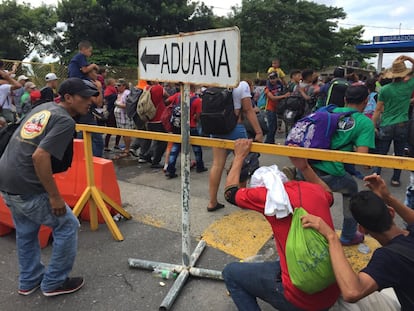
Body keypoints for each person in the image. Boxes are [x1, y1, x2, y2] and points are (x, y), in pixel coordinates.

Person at [0, 77, 99, 296]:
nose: (89, 101)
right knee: (67, 226)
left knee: (26, 231)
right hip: (26, 185)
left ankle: (29, 281)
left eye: (91, 96)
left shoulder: (45, 107)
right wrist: (54, 197)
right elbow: (40, 156)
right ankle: (54, 282)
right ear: (68, 98)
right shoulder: (65, 121)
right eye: (84, 97)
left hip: (6, 180)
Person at [222, 139, 340, 311]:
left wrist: (239, 156)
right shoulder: (313, 190)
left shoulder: (268, 198)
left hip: (302, 302)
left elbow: (229, 193)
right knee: (280, 257)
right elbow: (329, 194)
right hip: (334, 287)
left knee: (231, 273)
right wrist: (305, 167)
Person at [302, 173, 414, 310]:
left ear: (362, 229)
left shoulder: (388, 258)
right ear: (391, 212)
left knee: (340, 293)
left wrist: (331, 237)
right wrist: (388, 197)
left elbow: (352, 292)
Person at [310, 85, 375, 245]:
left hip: (307, 164)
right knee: (352, 189)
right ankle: (348, 235)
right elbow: (362, 158)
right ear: (366, 101)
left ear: (345, 99)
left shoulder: (328, 111)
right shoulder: (364, 123)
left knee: (310, 196)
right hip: (331, 170)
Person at [207, 80, 264, 212]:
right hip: (235, 129)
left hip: (217, 129)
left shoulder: (216, 83)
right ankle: (242, 199)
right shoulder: (241, 85)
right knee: (243, 163)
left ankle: (212, 202)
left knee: (217, 165)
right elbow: (248, 110)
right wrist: (258, 132)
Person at [372, 55, 414, 187]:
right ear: (404, 74)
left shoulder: (384, 89)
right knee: (399, 153)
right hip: (402, 124)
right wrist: (408, 58)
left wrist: (372, 126)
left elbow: (378, 110)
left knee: (382, 152)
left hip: (386, 124)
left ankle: (376, 176)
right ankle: (395, 179)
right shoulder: (408, 86)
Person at [164, 85, 207, 179]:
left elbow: (167, 101)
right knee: (196, 147)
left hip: (178, 125)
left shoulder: (178, 95)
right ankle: (200, 166)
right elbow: (198, 115)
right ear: (194, 88)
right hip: (191, 125)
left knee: (175, 148)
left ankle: (170, 169)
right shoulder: (197, 100)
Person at [138, 82, 169, 168]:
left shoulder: (146, 88)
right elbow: (168, 97)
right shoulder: (158, 88)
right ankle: (155, 161)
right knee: (163, 142)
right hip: (159, 119)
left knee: (157, 141)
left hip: (149, 118)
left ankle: (147, 155)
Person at [263, 72, 289, 144]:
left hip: (278, 108)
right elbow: (272, 98)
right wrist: (284, 96)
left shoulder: (280, 85)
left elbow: (286, 87)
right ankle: (268, 142)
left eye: (274, 78)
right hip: (270, 109)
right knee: (272, 127)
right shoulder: (267, 88)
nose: (272, 80)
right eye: (271, 79)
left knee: (275, 126)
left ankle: (271, 141)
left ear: (277, 78)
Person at [112, 79, 134, 160]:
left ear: (124, 86)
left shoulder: (127, 93)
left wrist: (117, 104)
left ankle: (127, 149)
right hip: (120, 118)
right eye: (116, 86)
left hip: (125, 117)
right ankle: (126, 148)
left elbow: (127, 105)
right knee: (123, 134)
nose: (117, 87)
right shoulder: (119, 94)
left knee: (127, 133)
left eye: (119, 85)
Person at [103, 78, 121, 151]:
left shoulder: (112, 90)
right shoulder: (110, 92)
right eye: (114, 81)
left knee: (112, 130)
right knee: (113, 129)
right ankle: (110, 145)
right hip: (111, 112)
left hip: (112, 112)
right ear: (110, 83)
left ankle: (111, 145)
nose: (115, 82)